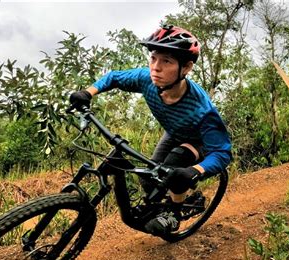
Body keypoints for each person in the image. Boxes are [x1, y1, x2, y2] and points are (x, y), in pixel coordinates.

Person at [69, 25, 232, 236]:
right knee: (150, 179)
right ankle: (184, 199)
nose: (156, 67)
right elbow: (115, 78)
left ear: (187, 67)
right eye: (153, 58)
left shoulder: (201, 110)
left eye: (166, 61)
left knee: (174, 166)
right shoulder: (146, 79)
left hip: (197, 142)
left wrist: (194, 171)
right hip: (173, 133)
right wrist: (88, 93)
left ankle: (174, 213)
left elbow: (222, 153)